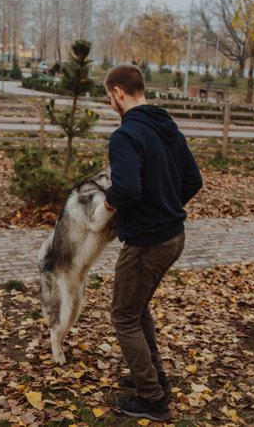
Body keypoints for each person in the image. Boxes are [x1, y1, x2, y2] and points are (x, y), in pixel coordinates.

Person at [103, 64, 203, 422]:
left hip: (147, 242)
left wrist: (110, 201)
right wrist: (167, 205)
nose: (111, 103)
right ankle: (153, 376)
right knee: (138, 307)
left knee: (123, 316)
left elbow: (127, 188)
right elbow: (193, 179)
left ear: (117, 91)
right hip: (173, 236)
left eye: (109, 97)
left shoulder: (126, 134)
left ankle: (152, 399)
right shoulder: (168, 127)